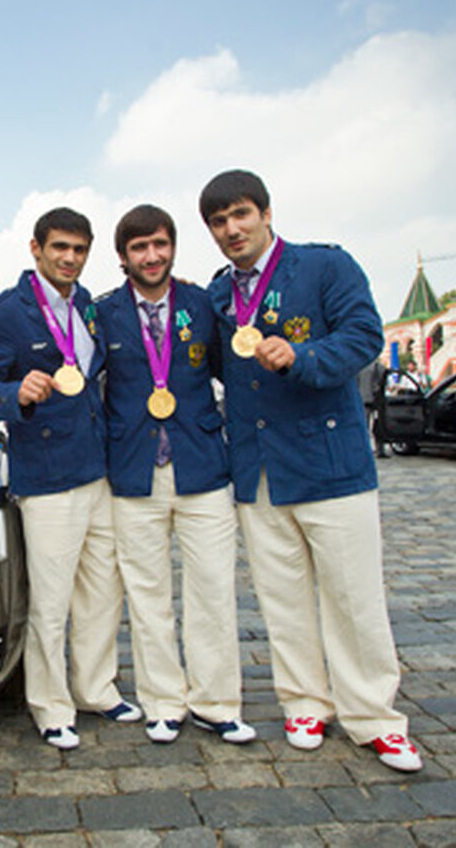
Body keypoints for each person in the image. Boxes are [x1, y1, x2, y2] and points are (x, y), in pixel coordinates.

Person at [200, 169, 422, 773]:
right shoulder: (220, 294)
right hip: (258, 466)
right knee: (282, 597)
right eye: (218, 222)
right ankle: (304, 702)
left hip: (330, 462)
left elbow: (364, 336)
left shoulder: (325, 266)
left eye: (240, 214)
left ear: (267, 213)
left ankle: (375, 717)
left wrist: (304, 355)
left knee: (353, 597)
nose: (231, 229)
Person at [0, 207, 140, 750]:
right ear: (35, 248)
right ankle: (50, 704)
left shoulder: (86, 305)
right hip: (45, 481)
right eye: (59, 248)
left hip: (97, 472)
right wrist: (13, 394)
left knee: (101, 592)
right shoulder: (5, 313)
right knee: (52, 600)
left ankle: (95, 688)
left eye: (79, 250)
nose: (69, 258)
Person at [97, 204, 254, 745]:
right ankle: (163, 702)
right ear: (123, 257)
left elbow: (231, 370)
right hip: (134, 474)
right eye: (139, 247)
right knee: (147, 595)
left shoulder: (203, 305)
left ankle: (216, 703)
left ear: (173, 246)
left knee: (213, 588)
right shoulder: (103, 314)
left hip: (202, 468)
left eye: (160, 244)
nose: (152, 255)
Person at [357, 359, 390, 458]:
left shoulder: (359, 366)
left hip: (362, 399)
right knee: (379, 425)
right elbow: (384, 380)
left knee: (364, 427)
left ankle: (363, 449)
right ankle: (380, 449)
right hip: (376, 399)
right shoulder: (378, 367)